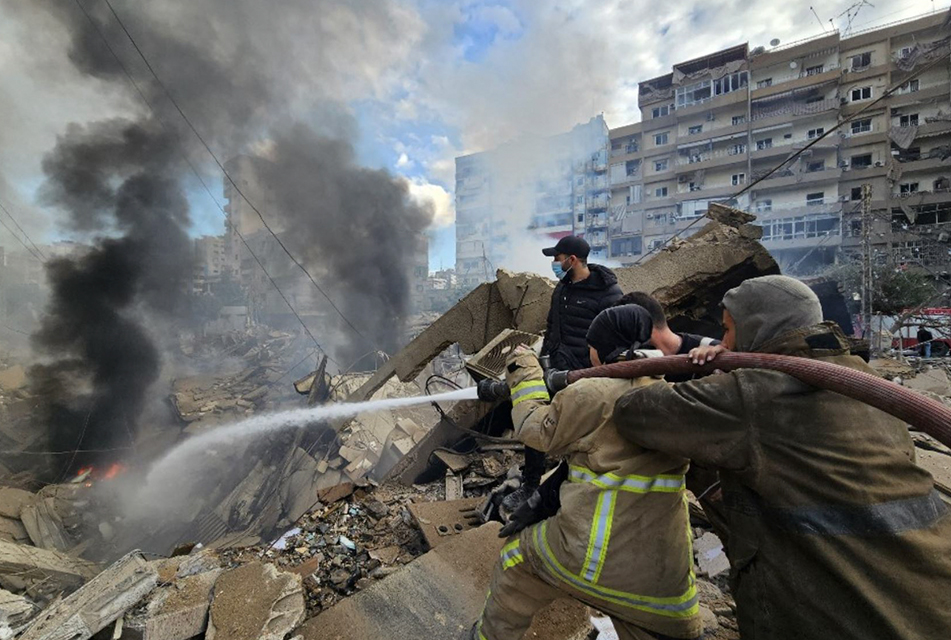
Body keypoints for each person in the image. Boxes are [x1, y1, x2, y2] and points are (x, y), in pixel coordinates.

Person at [612, 275, 951, 640]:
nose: (723, 342)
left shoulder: (756, 394)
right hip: (930, 593)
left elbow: (635, 413)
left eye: (727, 331)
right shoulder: (862, 377)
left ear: (756, 328)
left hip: (843, 614)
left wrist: (713, 374)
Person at [471, 305, 702, 640]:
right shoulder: (669, 393)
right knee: (644, 622)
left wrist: (524, 373)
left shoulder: (595, 392)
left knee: (515, 562)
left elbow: (536, 429)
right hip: (666, 582)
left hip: (593, 554)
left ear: (597, 349)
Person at [505, 235, 622, 511]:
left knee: (579, 435)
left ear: (572, 260)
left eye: (557, 259)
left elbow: (615, 339)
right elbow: (552, 325)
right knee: (537, 420)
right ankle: (531, 485)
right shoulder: (563, 288)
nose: (554, 264)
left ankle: (571, 491)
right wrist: (540, 356)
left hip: (583, 375)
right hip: (554, 367)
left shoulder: (609, 294)